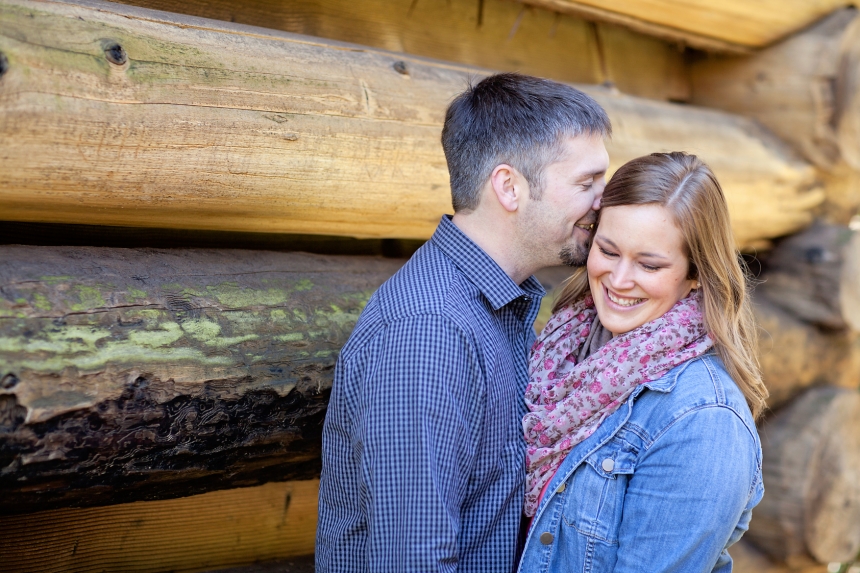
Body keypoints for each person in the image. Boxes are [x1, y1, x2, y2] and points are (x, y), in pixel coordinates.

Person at [316, 73, 611, 572]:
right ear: (509, 187)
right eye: (586, 184)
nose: (604, 202)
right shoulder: (429, 332)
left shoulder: (500, 308)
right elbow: (415, 562)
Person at [518, 152, 769, 573]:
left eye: (649, 264)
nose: (618, 281)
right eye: (609, 251)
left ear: (695, 275)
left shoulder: (705, 421)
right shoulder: (562, 348)